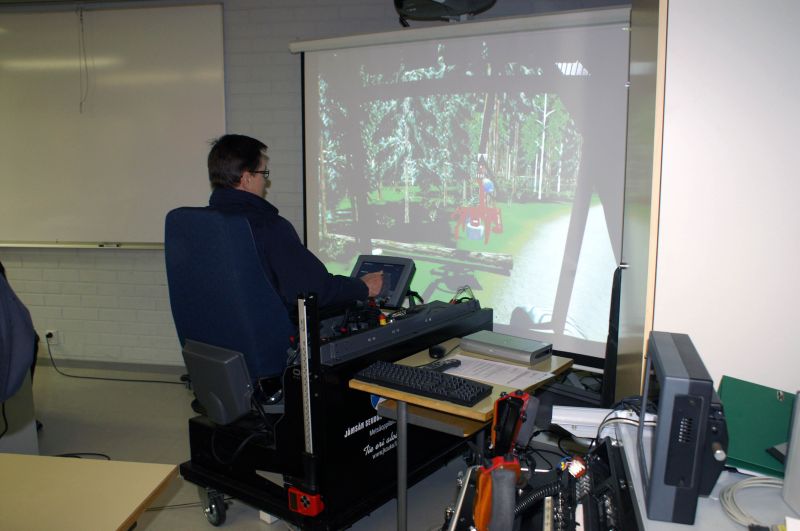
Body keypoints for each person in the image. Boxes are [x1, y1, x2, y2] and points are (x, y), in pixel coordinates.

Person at [206, 134, 383, 315]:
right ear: (246, 178)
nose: (265, 181)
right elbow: (314, 289)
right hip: (273, 331)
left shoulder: (203, 225)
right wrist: (363, 287)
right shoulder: (268, 226)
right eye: (263, 173)